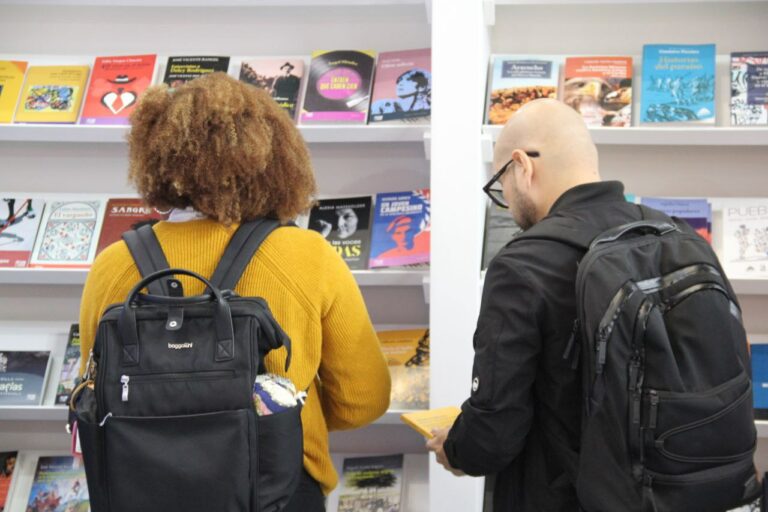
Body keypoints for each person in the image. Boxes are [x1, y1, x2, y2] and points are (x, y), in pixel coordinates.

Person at [78, 72, 391, 511]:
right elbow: (363, 400)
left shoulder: (113, 264)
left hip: (142, 484)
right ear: (276, 158)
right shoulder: (307, 255)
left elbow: (96, 389)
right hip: (275, 484)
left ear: (156, 156)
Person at [426, 98, 647, 511]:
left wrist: (455, 448)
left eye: (500, 185)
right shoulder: (676, 237)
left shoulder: (523, 264)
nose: (507, 202)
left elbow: (493, 433)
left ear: (521, 166)